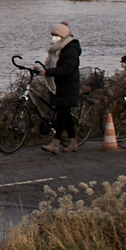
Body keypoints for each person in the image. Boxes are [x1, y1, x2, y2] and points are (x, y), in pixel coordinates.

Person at [40, 22, 82, 154]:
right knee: (64, 114)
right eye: (53, 35)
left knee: (62, 115)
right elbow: (54, 64)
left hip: (68, 86)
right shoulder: (58, 48)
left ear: (63, 36)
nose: (54, 38)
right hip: (59, 85)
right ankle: (72, 141)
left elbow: (67, 68)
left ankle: (56, 143)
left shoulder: (71, 49)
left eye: (56, 35)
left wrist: (49, 72)